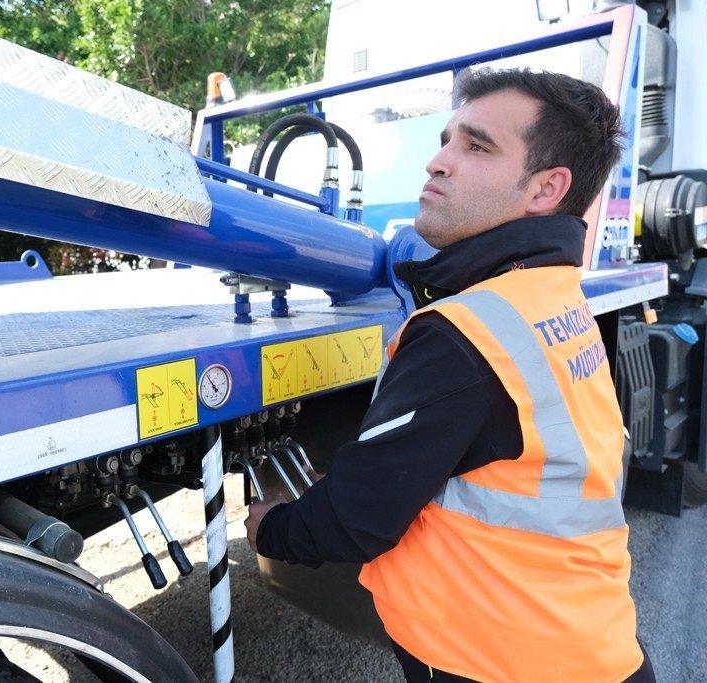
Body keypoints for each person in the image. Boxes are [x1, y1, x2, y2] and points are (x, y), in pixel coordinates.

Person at [244, 67, 656, 683]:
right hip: (581, 642)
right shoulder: (546, 296)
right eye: (445, 140)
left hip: (492, 659)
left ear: (546, 189)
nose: (437, 162)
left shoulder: (463, 334)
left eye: (476, 146)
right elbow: (493, 460)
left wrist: (270, 525)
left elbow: (354, 519)